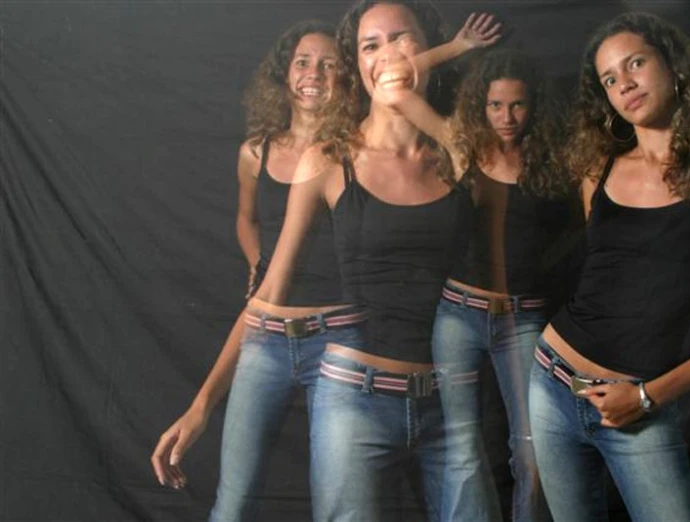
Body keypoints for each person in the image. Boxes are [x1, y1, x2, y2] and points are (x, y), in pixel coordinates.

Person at [251, 2, 500, 520]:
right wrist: (204, 403)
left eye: (401, 39)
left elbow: (498, 296)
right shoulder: (329, 158)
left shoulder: (467, 157)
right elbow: (270, 294)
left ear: (427, 49)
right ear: (358, 65)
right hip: (353, 402)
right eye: (370, 45)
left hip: (453, 402)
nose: (387, 54)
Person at [528, 12, 690, 522]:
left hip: (639, 407)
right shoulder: (600, 169)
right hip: (552, 382)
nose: (626, 84)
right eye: (610, 79)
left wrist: (645, 397)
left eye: (635, 63)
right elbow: (605, 280)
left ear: (673, 65)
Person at [150, 21, 366, 522]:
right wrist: (255, 259)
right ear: (285, 73)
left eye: (330, 64)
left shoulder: (356, 153)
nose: (314, 73)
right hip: (266, 331)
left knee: (342, 506)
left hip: (340, 338)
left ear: (348, 79)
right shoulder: (256, 151)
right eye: (304, 62)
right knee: (233, 502)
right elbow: (248, 219)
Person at [377, 47, 572, 521]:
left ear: (534, 106)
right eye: (496, 105)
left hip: (522, 319)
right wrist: (458, 47)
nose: (507, 117)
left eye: (518, 105)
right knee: (461, 447)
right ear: (480, 107)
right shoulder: (464, 147)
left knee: (533, 452)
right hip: (458, 316)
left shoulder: (558, 161)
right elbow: (393, 85)